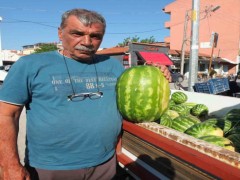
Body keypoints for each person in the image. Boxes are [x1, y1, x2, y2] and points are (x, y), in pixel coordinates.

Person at [0, 8, 171, 180]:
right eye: (77, 33)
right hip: (50, 168)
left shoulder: (113, 66)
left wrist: (158, 73)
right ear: (60, 33)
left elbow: (138, 91)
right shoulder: (30, 64)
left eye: (95, 36)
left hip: (104, 164)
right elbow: (6, 115)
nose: (87, 41)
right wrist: (10, 165)